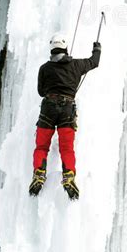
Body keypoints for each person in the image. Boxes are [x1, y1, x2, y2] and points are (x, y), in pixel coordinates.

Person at [29, 33, 101, 200]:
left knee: (41, 146)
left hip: (48, 108)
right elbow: (94, 62)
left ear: (52, 49)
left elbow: (41, 92)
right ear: (65, 47)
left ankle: (39, 173)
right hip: (67, 109)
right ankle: (68, 175)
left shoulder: (44, 68)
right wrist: (97, 48)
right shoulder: (76, 65)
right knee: (66, 148)